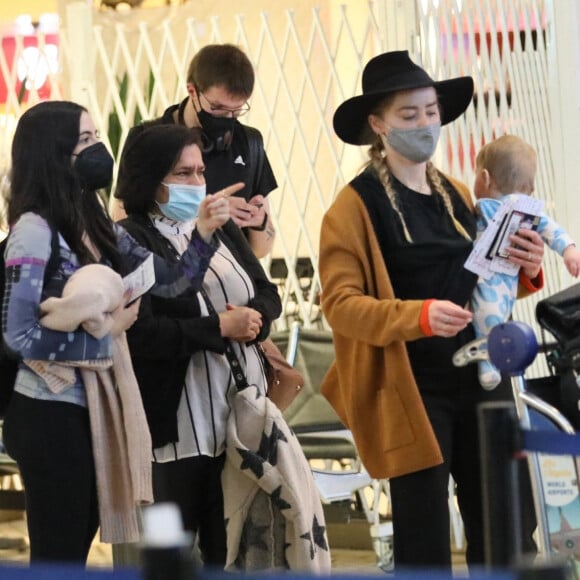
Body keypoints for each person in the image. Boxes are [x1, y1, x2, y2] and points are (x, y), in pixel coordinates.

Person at [318, 51, 546, 570]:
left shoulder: (458, 193)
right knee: (423, 536)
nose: (425, 123)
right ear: (377, 125)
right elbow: (341, 305)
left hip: (482, 378)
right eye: (408, 114)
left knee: (507, 524)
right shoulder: (353, 207)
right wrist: (416, 317)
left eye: (430, 110)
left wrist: (527, 264)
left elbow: (484, 280)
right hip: (410, 387)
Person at [0, 100, 238, 565]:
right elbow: (18, 335)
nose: (98, 150)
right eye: (85, 141)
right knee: (59, 549)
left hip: (89, 406)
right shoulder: (32, 230)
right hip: (47, 411)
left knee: (78, 535)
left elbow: (168, 282)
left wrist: (204, 234)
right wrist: (104, 335)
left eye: (95, 137)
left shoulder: (94, 223)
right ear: (53, 154)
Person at [114, 122, 282, 567]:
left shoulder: (222, 230)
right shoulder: (130, 239)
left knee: (231, 550)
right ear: (151, 179)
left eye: (200, 171)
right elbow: (145, 332)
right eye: (182, 173)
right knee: (168, 553)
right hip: (174, 431)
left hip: (238, 417)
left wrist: (253, 322)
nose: (197, 183)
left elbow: (267, 291)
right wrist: (219, 327)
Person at [116, 43, 277, 259]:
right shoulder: (147, 139)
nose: (227, 119)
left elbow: (260, 250)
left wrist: (260, 222)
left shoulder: (249, 143)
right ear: (192, 91)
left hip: (233, 282)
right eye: (217, 108)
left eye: (237, 111)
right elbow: (123, 229)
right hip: (170, 277)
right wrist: (210, 213)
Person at [469, 135, 580, 389]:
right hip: (506, 285)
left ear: (484, 178)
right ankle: (504, 371)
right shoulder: (526, 212)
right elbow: (553, 230)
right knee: (497, 322)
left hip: (489, 283)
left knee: (487, 318)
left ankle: (489, 365)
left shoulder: (486, 207)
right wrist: (569, 250)